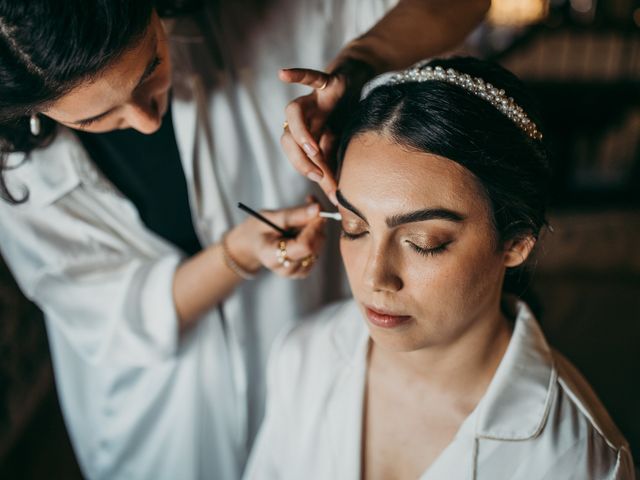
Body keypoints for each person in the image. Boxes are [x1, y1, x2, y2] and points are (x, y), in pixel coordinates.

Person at [0, 1, 490, 479]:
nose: (147, 119)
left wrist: (362, 62)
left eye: (151, 65)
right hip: (157, 423)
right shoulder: (14, 175)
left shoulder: (252, 16)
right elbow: (112, 318)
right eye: (94, 118)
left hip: (307, 373)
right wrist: (238, 254)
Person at [245, 57, 636, 479]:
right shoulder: (304, 356)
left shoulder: (577, 458)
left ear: (516, 244)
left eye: (423, 244)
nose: (374, 277)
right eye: (355, 228)